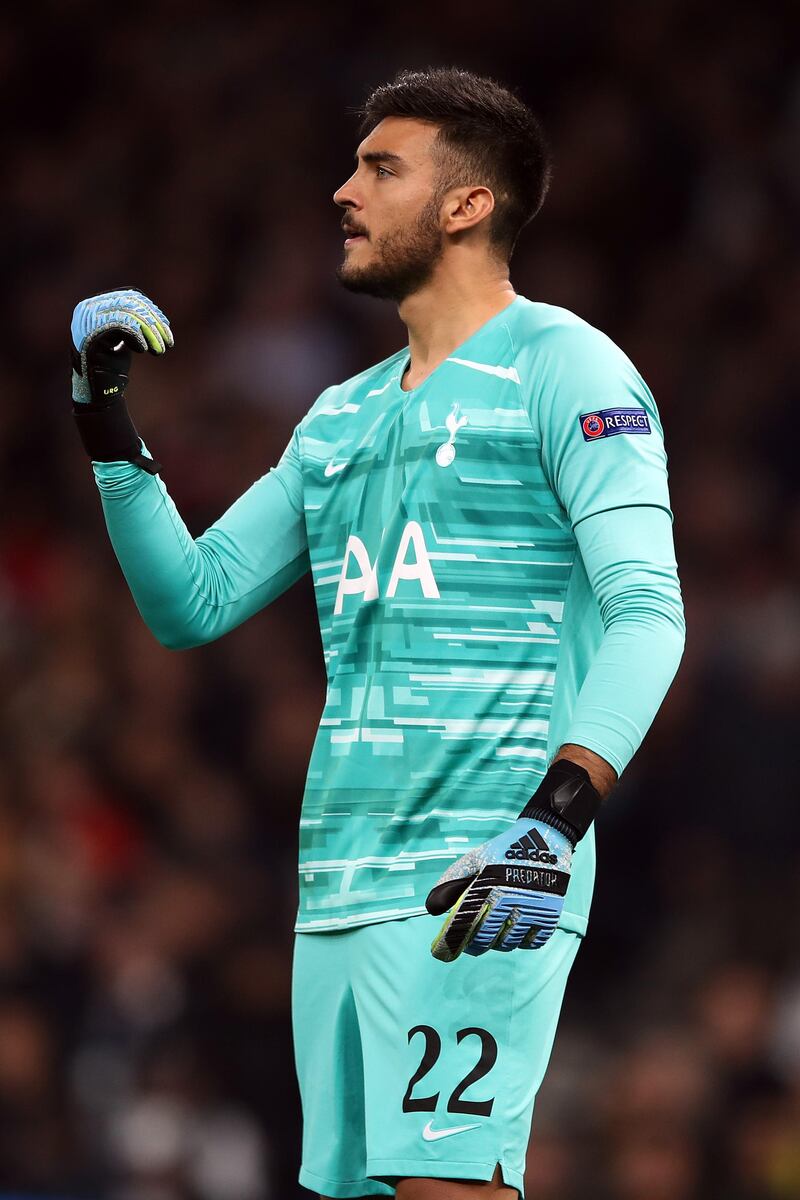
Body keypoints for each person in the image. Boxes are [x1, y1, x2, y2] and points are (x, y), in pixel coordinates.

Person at [69, 68, 685, 1200]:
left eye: (379, 168)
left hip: (483, 873)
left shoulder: (570, 369)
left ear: (466, 205)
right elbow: (188, 602)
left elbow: (649, 615)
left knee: (447, 1194)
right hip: (336, 883)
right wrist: (107, 427)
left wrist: (551, 825)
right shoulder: (340, 415)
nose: (342, 190)